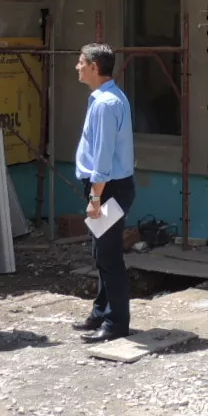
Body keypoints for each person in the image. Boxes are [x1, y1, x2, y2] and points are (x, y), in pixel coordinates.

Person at [74, 43, 136, 343]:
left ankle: (116, 322)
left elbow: (103, 157)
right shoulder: (106, 98)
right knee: (101, 253)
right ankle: (101, 312)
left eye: (81, 62)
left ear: (94, 67)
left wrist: (95, 197)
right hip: (108, 187)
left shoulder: (105, 104)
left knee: (109, 257)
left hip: (108, 188)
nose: (77, 67)